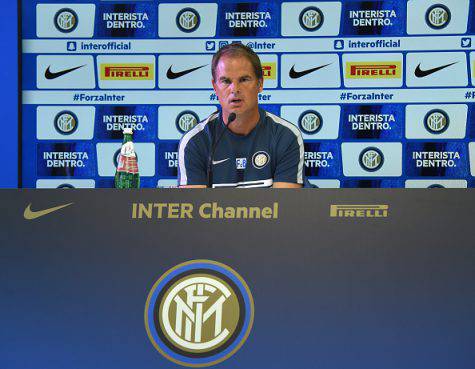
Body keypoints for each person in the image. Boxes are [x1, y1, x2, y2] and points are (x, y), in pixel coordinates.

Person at [178, 43, 304, 188]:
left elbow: (284, 207)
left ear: (260, 83)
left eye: (244, 80)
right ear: (215, 87)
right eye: (226, 81)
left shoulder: (286, 136)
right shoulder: (195, 141)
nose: (235, 89)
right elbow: (193, 208)